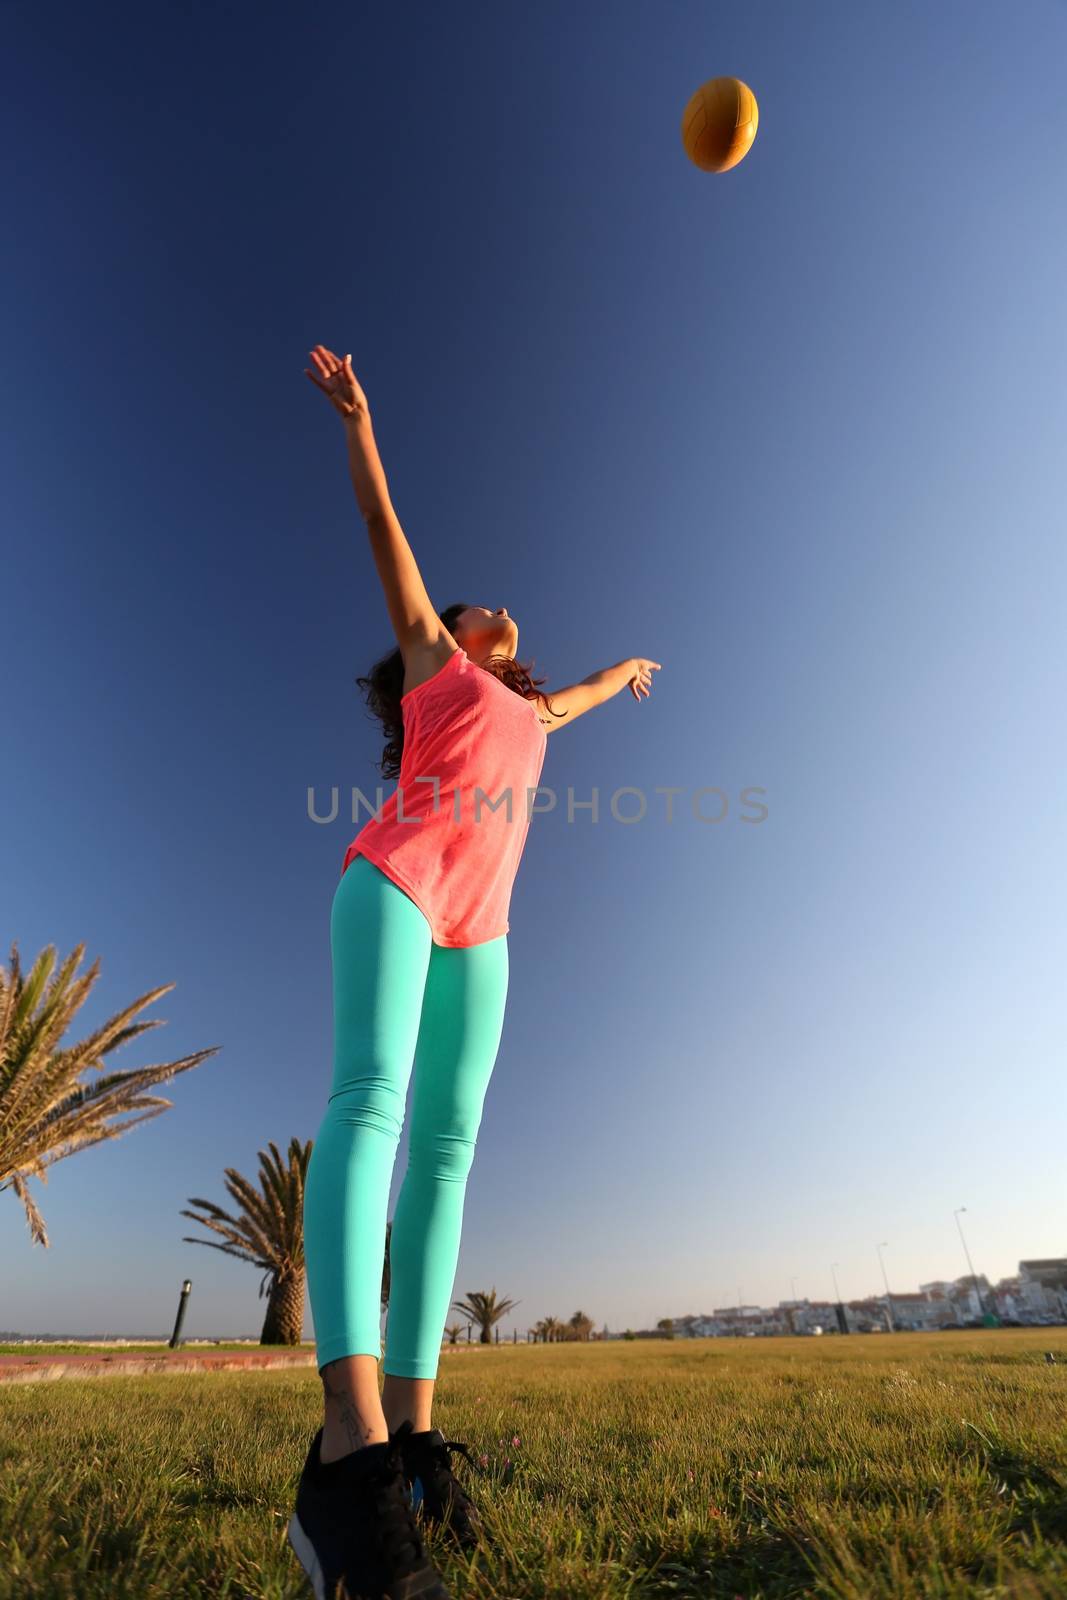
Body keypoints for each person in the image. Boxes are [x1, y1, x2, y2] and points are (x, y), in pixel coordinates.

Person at [288, 344, 661, 1600]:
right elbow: (380, 519)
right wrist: (361, 422)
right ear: (449, 641)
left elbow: (584, 699)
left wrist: (625, 673)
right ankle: (347, 1452)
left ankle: (415, 1441)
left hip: (482, 929)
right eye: (481, 607)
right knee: (370, 1107)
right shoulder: (437, 665)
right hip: (395, 879)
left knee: (446, 1155)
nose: (500, 614)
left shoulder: (529, 710)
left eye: (505, 621)